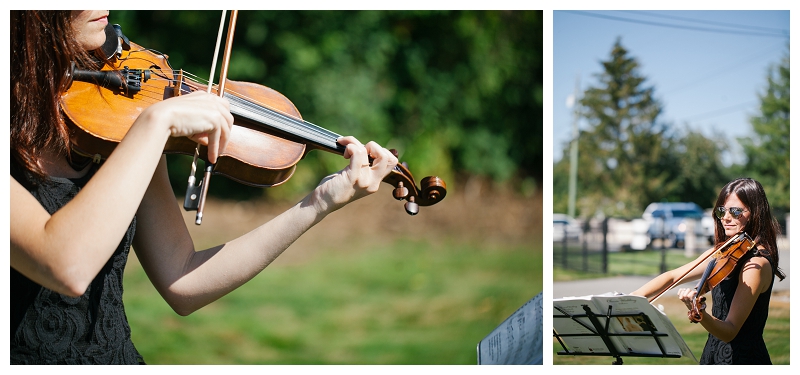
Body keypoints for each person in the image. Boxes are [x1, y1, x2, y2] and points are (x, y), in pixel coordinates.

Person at [10, 10, 399, 364]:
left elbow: (183, 278)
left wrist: (320, 202)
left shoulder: (110, 113)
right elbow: (65, 265)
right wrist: (155, 125)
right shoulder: (140, 127)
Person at [631, 178, 785, 365]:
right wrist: (630, 298)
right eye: (722, 211)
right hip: (713, 355)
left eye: (735, 211)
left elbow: (729, 331)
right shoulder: (724, 252)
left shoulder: (755, 265)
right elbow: (672, 276)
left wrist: (701, 314)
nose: (726, 218)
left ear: (755, 213)